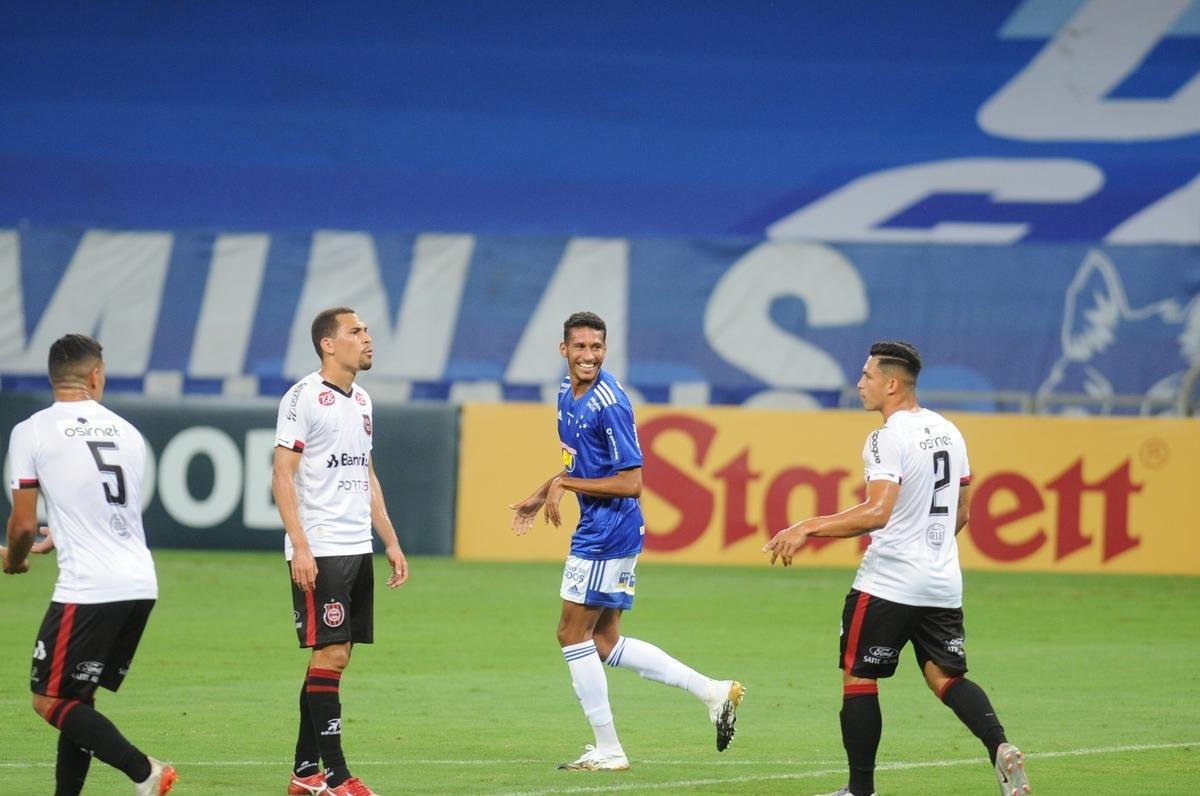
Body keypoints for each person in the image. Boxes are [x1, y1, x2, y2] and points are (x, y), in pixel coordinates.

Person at [763, 341, 1031, 796]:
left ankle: (859, 790)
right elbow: (962, 511)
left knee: (860, 677)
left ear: (891, 383)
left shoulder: (886, 437)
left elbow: (878, 512)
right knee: (946, 677)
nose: (859, 383)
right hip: (942, 582)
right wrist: (930, 554)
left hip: (888, 582)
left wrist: (806, 527)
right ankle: (1000, 747)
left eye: (867, 376)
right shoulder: (949, 431)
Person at [510, 311, 745, 772]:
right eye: (579, 347)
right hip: (605, 528)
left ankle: (610, 749)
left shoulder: (609, 402)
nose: (588, 356)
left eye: (596, 347)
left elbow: (631, 481)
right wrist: (542, 495)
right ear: (564, 351)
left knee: (569, 633)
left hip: (607, 531)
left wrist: (568, 487)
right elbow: (578, 466)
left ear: (605, 349)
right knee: (603, 641)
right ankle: (713, 692)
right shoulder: (565, 393)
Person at [2, 333, 176, 795]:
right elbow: (109, 509)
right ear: (95, 375)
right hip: (139, 582)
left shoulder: (33, 430)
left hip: (88, 587)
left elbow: (20, 526)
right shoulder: (128, 433)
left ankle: (145, 772)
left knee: (47, 700)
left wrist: (15, 561)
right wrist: (62, 531)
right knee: (78, 699)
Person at [273, 307, 410, 796]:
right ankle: (336, 775)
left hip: (357, 546)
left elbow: (365, 473)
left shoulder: (363, 401)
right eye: (356, 331)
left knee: (334, 657)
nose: (367, 338)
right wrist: (302, 547)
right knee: (330, 654)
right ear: (328, 344)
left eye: (367, 330)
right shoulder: (302, 397)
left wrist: (389, 538)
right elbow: (282, 475)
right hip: (323, 546)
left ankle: (304, 772)